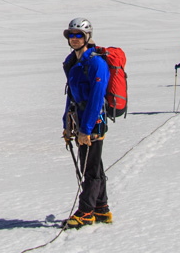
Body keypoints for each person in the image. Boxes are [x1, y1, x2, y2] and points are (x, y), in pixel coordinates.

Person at [61, 17, 112, 228]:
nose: (74, 39)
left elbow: (96, 98)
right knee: (94, 163)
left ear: (87, 37)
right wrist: (67, 123)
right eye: (71, 35)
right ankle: (101, 208)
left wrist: (86, 129)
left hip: (93, 120)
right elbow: (70, 95)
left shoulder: (96, 62)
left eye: (78, 35)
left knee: (89, 166)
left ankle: (86, 211)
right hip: (80, 118)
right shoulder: (73, 61)